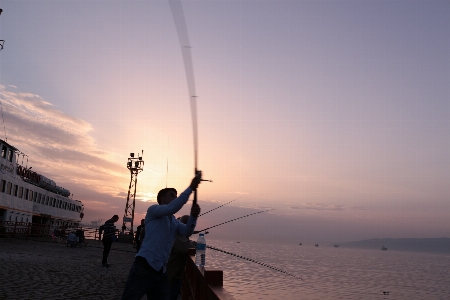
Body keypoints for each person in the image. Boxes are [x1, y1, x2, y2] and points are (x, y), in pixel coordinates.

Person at [121, 175, 201, 300]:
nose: (175, 198)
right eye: (172, 195)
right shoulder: (153, 210)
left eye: (176, 196)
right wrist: (191, 188)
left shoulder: (174, 221)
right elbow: (172, 207)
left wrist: (193, 217)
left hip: (161, 271)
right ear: (162, 199)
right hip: (144, 266)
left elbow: (187, 232)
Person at [167, 215, 193, 300]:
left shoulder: (177, 233)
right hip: (170, 275)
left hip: (173, 275)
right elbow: (184, 248)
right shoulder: (178, 235)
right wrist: (196, 245)